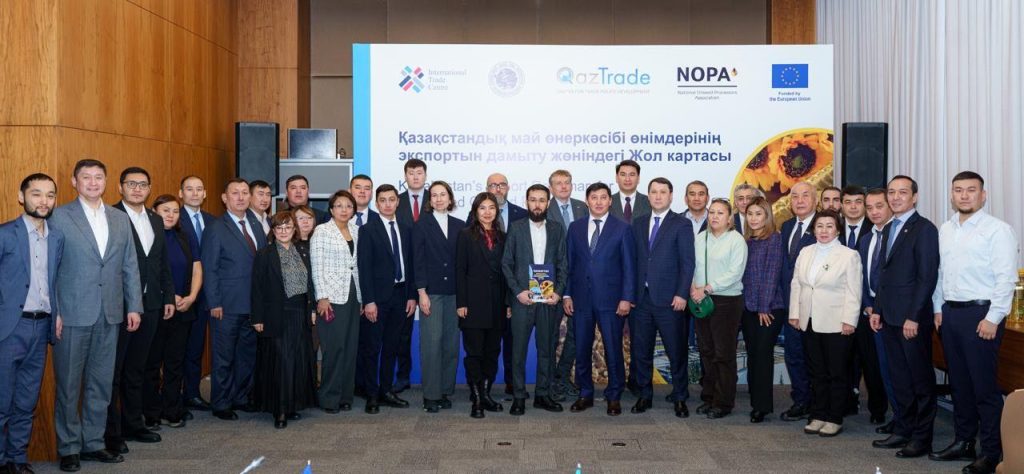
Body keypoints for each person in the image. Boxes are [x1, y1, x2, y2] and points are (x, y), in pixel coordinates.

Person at [50, 159, 143, 471]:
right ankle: (69, 448)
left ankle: (93, 443)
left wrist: (134, 306)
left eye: (98, 177)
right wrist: (55, 311)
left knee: (101, 384)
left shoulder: (119, 218)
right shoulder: (59, 216)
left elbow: (130, 264)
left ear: (106, 182)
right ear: (74, 182)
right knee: (68, 386)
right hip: (72, 315)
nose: (92, 183)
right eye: (86, 177)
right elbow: (49, 269)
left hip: (111, 313)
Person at [929, 171, 1017, 474]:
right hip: (951, 314)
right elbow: (941, 273)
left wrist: (993, 317)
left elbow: (1006, 279)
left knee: (984, 388)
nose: (964, 195)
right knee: (960, 384)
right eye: (958, 190)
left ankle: (992, 452)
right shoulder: (946, 229)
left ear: (983, 195)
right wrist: (938, 308)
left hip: (982, 316)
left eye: (971, 190)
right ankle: (964, 441)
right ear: (951, 195)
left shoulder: (998, 230)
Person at [869, 175, 939, 459]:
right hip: (889, 317)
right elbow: (884, 275)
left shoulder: (924, 229)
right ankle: (903, 428)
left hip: (911, 320)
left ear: (915, 197)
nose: (896, 197)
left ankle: (922, 439)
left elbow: (926, 277)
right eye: (892, 192)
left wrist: (914, 317)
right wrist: (878, 310)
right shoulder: (889, 228)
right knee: (899, 378)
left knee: (920, 381)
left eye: (902, 192)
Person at [106, 167, 175, 452]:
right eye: (131, 184)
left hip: (152, 304)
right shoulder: (110, 216)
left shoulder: (156, 219)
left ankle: (134, 424)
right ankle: (112, 432)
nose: (137, 189)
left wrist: (168, 296)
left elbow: (161, 262)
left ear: (149, 189)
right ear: (120, 187)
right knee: (114, 371)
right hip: (121, 305)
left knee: (139, 367)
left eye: (143, 184)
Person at [0, 174, 63, 474]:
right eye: (36, 194)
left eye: (50, 195)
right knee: (1, 402)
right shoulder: (5, 234)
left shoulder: (57, 237)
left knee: (26, 401)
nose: (44, 201)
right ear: (21, 196)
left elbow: (54, 281)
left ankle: (17, 459)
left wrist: (57, 313)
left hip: (41, 328)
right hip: (9, 330)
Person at [789, 210, 863, 437]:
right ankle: (818, 414)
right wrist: (795, 313)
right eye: (819, 226)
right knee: (816, 372)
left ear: (838, 230)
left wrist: (849, 320)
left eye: (829, 226)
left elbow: (854, 291)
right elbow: (797, 284)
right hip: (809, 320)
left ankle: (834, 417)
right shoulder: (806, 252)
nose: (824, 231)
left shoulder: (849, 255)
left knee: (837, 373)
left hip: (837, 323)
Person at [564, 182, 636, 417]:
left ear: (610, 201)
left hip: (611, 301)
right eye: (593, 197)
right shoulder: (575, 228)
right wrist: (567, 294)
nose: (598, 202)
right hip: (581, 300)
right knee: (582, 349)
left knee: (613, 350)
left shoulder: (622, 228)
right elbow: (569, 263)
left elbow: (629, 267)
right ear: (587, 201)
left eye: (603, 197)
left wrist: (626, 298)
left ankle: (614, 395)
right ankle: (585, 393)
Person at [201, 178, 267, 421]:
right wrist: (214, 302)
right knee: (224, 356)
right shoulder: (216, 228)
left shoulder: (256, 224)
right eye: (235, 193)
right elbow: (210, 268)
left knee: (247, 355)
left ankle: (241, 397)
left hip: (253, 304)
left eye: (244, 193)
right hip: (226, 305)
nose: (240, 197)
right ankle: (221, 402)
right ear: (224, 198)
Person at [629, 178, 695, 418]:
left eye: (662, 192)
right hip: (641, 300)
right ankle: (644, 396)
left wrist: (682, 293)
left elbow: (688, 263)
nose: (658, 196)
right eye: (654, 192)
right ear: (648, 195)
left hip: (670, 301)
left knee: (676, 352)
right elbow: (633, 261)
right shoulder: (638, 223)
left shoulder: (681, 224)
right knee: (641, 352)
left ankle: (680, 397)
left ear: (671, 196)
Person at [501, 184, 569, 415]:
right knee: (518, 351)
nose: (537, 205)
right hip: (523, 300)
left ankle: (542, 395)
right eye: (533, 200)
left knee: (546, 350)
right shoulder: (516, 227)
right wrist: (518, 291)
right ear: (526, 202)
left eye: (541, 200)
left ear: (548, 203)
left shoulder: (557, 229)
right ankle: (519, 397)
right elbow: (506, 264)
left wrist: (558, 292)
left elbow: (563, 264)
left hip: (548, 301)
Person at [251, 211, 317, 428]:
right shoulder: (265, 254)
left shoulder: (302, 251)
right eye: (279, 228)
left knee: (298, 360)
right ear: (273, 230)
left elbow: (310, 284)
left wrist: (312, 309)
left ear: (294, 229)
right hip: (276, 314)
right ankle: (279, 410)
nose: (283, 231)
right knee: (281, 363)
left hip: (300, 312)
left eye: (287, 227)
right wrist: (257, 317)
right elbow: (257, 288)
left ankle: (293, 404)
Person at [143, 195, 202, 430]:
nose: (171, 215)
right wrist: (169, 297)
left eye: (175, 211)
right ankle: (151, 413)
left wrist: (192, 297)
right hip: (156, 308)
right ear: (154, 211)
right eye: (165, 210)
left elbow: (197, 267)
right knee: (152, 363)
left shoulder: (185, 236)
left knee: (175, 363)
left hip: (184, 308)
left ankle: (172, 409)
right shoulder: (147, 236)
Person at [357, 184, 416, 413]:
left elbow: (410, 265)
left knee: (392, 346)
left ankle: (386, 390)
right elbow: (364, 268)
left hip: (401, 296)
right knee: (372, 348)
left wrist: (411, 296)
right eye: (383, 200)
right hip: (377, 299)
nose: (388, 204)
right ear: (377, 203)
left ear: (397, 202)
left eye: (392, 199)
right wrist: (369, 301)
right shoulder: (368, 230)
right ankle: (372, 394)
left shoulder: (406, 229)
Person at [690, 199, 748, 419]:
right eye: (712, 212)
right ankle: (709, 396)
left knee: (723, 354)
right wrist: (693, 288)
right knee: (706, 351)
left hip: (726, 301)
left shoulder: (736, 240)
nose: (714, 216)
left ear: (729, 217)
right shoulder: (700, 238)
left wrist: (707, 288)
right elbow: (692, 266)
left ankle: (723, 402)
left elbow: (735, 273)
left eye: (720, 213)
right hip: (700, 300)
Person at [413, 181, 465, 413]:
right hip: (431, 293)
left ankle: (444, 390)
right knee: (432, 344)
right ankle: (431, 395)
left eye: (443, 194)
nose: (439, 199)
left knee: (451, 344)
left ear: (450, 198)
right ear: (430, 200)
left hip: (454, 293)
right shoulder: (421, 225)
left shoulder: (460, 226)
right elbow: (418, 261)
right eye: (434, 195)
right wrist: (421, 292)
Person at [474, 173, 526, 397]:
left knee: (513, 340)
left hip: (515, 289)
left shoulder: (522, 214)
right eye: (493, 185)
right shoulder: (474, 219)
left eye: (502, 185)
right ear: (487, 188)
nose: (497, 189)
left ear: (508, 187)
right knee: (488, 343)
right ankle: (483, 387)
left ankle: (512, 382)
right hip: (487, 292)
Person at [456, 192, 508, 418]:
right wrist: (461, 302)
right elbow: (460, 270)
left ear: (497, 211)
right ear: (475, 211)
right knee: (474, 353)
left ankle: (486, 395)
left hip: (497, 304)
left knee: (492, 352)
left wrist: (508, 303)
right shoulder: (465, 235)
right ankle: (476, 398)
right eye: (482, 208)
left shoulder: (504, 237)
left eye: (491, 208)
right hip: (473, 304)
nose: (487, 212)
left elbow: (507, 272)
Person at [310, 190, 362, 414]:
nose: (344, 210)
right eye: (339, 205)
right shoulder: (322, 231)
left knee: (350, 347)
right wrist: (321, 296)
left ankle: (345, 395)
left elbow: (357, 266)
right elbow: (317, 266)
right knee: (333, 348)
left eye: (348, 206)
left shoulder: (356, 230)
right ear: (331, 209)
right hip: (331, 298)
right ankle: (329, 397)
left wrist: (362, 298)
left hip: (353, 295)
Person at [840, 185, 885, 424]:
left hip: (868, 311)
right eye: (848, 202)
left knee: (871, 361)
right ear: (841, 205)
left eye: (859, 202)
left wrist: (869, 304)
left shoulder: (877, 231)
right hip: (840, 307)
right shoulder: (832, 229)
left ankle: (878, 409)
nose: (853, 207)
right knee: (843, 360)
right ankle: (847, 402)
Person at [740, 196, 784, 423]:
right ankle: (755, 398)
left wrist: (764, 307)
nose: (754, 218)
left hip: (769, 308)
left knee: (763, 355)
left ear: (767, 216)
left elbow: (771, 274)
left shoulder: (774, 239)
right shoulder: (746, 241)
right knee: (753, 353)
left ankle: (762, 406)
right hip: (748, 307)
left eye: (758, 214)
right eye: (750, 214)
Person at [859, 188, 899, 436]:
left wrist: (881, 308)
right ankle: (895, 417)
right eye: (870, 207)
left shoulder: (898, 236)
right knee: (880, 367)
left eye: (879, 206)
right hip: (871, 311)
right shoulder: (866, 239)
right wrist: (867, 303)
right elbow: (863, 276)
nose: (874, 212)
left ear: (890, 206)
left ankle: (903, 418)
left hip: (893, 313)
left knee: (896, 369)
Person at [546, 170, 587, 401]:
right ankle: (550, 381)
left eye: (567, 183)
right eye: (558, 183)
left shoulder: (583, 207)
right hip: (552, 281)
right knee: (550, 334)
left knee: (575, 333)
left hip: (580, 280)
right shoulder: (544, 208)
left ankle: (562, 376)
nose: (563, 187)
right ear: (551, 188)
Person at [778, 181, 817, 421]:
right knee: (794, 355)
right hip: (790, 304)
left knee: (814, 357)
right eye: (795, 196)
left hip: (815, 307)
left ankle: (817, 404)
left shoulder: (823, 226)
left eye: (805, 195)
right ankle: (801, 400)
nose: (799, 201)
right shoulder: (787, 226)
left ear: (815, 200)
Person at [178, 175, 215, 413]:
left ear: (205, 194)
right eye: (189, 189)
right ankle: (174, 396)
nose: (194, 193)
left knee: (195, 347)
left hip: (205, 295)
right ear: (181, 193)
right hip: (182, 295)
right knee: (177, 348)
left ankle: (191, 393)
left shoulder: (212, 221)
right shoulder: (173, 218)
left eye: (199, 189)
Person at [394, 159, 430, 394]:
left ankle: (433, 378)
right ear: (405, 176)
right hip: (404, 277)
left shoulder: (435, 199)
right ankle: (403, 376)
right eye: (411, 173)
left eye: (419, 173)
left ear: (425, 175)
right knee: (402, 332)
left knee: (434, 333)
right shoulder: (395, 202)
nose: (415, 177)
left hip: (431, 276)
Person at [348, 174, 375, 400]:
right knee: (348, 341)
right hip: (344, 292)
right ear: (350, 190)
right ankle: (350, 384)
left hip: (372, 291)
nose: (362, 192)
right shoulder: (335, 219)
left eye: (367, 188)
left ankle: (366, 384)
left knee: (368, 341)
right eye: (358, 187)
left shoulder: (379, 219)